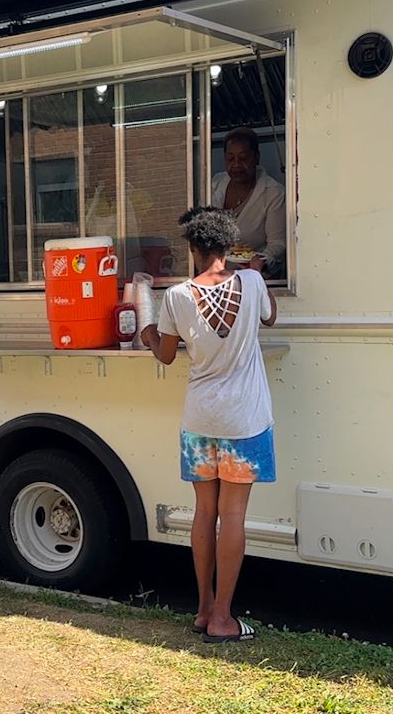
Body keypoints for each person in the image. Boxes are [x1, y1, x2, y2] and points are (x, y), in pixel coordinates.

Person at [141, 206, 278, 643]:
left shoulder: (178, 296)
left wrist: (147, 332)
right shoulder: (252, 283)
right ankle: (224, 617)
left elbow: (164, 353)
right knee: (232, 515)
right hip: (245, 418)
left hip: (199, 418)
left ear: (194, 249)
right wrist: (251, 268)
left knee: (204, 512)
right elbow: (270, 316)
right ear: (227, 246)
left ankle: (202, 609)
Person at [211, 127, 286, 278]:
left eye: (243, 158)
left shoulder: (273, 192)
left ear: (256, 157)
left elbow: (278, 243)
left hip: (254, 278)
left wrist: (260, 262)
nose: (236, 165)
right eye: (230, 159)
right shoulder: (215, 185)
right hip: (216, 279)